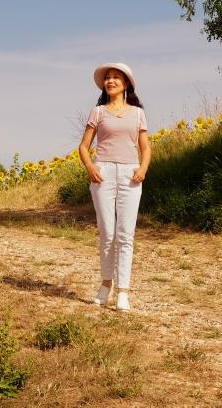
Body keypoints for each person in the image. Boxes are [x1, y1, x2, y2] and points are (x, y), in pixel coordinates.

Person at [79, 62, 151, 312]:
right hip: (104, 173)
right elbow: (83, 146)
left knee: (126, 235)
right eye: (107, 78)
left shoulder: (138, 113)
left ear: (126, 83)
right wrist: (91, 167)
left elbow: (146, 148)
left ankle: (123, 292)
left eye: (116, 78)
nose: (110, 81)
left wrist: (142, 169)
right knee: (107, 233)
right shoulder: (97, 112)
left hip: (131, 173)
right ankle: (105, 285)